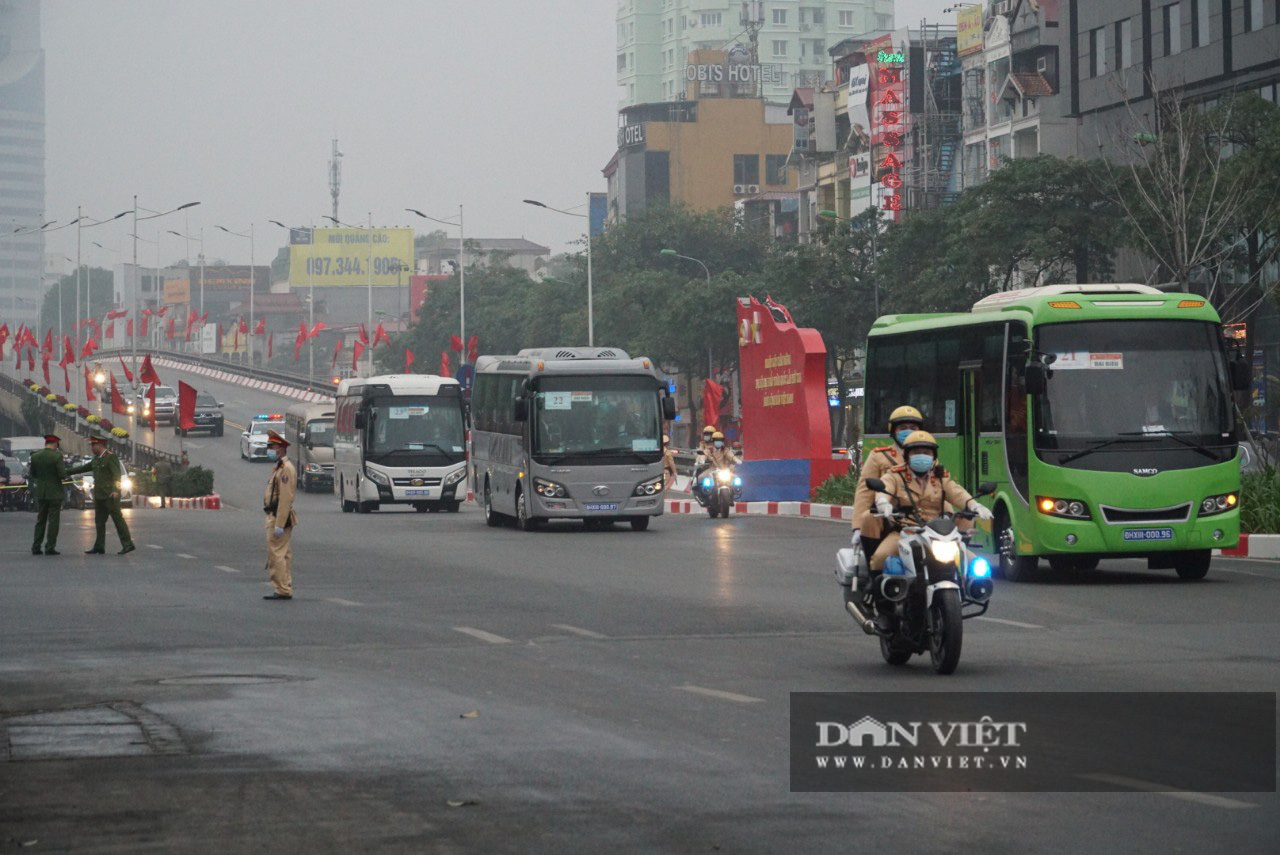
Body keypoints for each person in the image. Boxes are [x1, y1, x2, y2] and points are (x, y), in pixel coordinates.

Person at [868, 431, 993, 573]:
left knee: (976, 566)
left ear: (933, 456)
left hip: (938, 535)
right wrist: (883, 502)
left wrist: (974, 505)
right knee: (880, 558)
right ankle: (879, 592)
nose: (922, 456)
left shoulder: (940, 477)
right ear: (906, 455)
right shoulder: (895, 475)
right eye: (916, 452)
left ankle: (973, 593)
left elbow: (957, 493)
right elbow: (884, 487)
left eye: (926, 452)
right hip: (905, 532)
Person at [847, 405, 925, 573]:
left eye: (913, 428)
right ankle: (876, 581)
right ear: (893, 431)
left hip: (922, 521)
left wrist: (949, 514)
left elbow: (940, 489)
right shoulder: (880, 456)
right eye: (903, 428)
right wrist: (858, 527)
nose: (908, 432)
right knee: (880, 558)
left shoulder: (928, 457)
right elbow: (865, 492)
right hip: (889, 521)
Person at [68, 433, 136, 555]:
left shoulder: (111, 457)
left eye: (93, 445)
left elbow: (117, 476)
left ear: (100, 445)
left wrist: (116, 491)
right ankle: (99, 546)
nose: (92, 447)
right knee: (99, 522)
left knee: (117, 520)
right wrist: (65, 471)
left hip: (110, 495)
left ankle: (127, 544)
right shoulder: (96, 459)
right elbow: (83, 468)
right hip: (99, 495)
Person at [262, 430, 298, 600]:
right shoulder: (280, 468)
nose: (270, 449)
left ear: (282, 449)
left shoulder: (286, 470)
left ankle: (282, 588)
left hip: (278, 517)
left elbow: (285, 498)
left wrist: (279, 524)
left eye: (273, 446)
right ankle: (285, 585)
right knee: (283, 553)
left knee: (276, 553)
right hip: (275, 515)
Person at [28, 434, 69, 555]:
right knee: (53, 521)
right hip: (54, 493)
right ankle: (50, 546)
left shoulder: (35, 456)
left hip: (41, 492)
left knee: (40, 520)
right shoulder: (57, 457)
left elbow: (33, 474)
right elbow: (62, 474)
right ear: (55, 444)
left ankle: (36, 546)